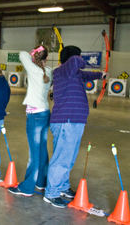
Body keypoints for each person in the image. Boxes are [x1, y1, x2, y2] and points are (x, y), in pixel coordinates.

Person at [43, 46, 106, 208]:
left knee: (68, 158)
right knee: (62, 159)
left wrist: (101, 74)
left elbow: (86, 74)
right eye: (79, 55)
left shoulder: (74, 73)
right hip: (67, 121)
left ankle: (62, 187)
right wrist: (77, 56)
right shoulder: (63, 69)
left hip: (74, 121)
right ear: (72, 57)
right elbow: (76, 61)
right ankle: (51, 193)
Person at [8, 46, 52, 197]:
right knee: (42, 151)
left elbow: (21, 53)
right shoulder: (49, 71)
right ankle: (41, 182)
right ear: (47, 58)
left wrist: (33, 53)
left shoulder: (35, 70)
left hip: (34, 117)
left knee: (34, 154)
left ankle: (26, 188)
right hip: (45, 114)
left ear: (36, 57)